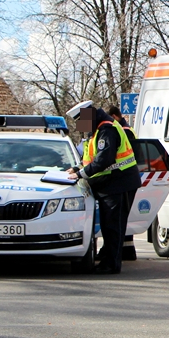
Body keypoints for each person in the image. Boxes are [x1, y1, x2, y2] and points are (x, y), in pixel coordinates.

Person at [66, 101, 141, 274]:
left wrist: (80, 174)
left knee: (113, 226)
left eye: (80, 121)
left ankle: (111, 265)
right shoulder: (98, 130)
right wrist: (77, 168)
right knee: (110, 226)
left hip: (118, 183)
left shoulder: (107, 130)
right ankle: (108, 259)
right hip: (112, 183)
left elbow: (104, 160)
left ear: (89, 117)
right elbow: (91, 158)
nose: (80, 126)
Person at [108, 105, 138, 261]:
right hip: (127, 177)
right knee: (123, 217)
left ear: (114, 116)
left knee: (120, 218)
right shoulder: (127, 130)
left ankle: (124, 251)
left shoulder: (123, 131)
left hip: (123, 178)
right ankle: (127, 250)